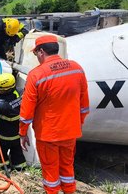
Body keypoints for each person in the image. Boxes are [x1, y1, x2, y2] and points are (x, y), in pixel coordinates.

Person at [19, 34, 90, 194]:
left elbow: (26, 111)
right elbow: (84, 105)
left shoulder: (36, 75)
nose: (36, 56)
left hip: (48, 134)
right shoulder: (77, 68)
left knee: (50, 171)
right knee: (67, 168)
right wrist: (77, 124)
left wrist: (23, 132)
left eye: (36, 53)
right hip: (70, 132)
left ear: (41, 51)